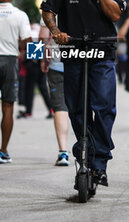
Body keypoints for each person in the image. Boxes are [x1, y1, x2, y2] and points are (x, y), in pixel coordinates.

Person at [41, 0, 126, 187]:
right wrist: (56, 32)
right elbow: (48, 9)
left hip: (102, 51)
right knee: (76, 108)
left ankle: (99, 162)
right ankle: (85, 151)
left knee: (103, 108)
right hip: (74, 51)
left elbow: (114, 15)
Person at [0, 0, 31, 163]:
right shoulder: (20, 15)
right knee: (8, 107)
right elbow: (27, 41)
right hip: (10, 61)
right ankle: (3, 151)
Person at [39, 18, 70, 166]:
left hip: (56, 63)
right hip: (83, 62)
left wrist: (41, 60)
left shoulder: (50, 8)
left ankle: (63, 151)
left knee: (60, 107)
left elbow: (42, 37)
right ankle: (86, 150)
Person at [17, 22, 53, 119]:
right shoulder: (37, 29)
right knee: (43, 87)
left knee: (30, 87)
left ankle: (29, 111)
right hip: (40, 59)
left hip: (34, 60)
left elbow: (31, 44)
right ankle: (51, 109)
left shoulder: (31, 32)